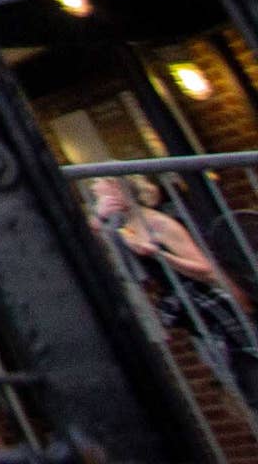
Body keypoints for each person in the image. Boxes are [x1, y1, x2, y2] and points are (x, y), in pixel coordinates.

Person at [86, 172, 256, 405]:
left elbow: (204, 267)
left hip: (207, 302)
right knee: (226, 371)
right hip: (184, 310)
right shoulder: (120, 228)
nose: (100, 201)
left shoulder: (158, 223)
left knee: (244, 362)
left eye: (102, 194)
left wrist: (159, 255)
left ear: (120, 192)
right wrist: (97, 218)